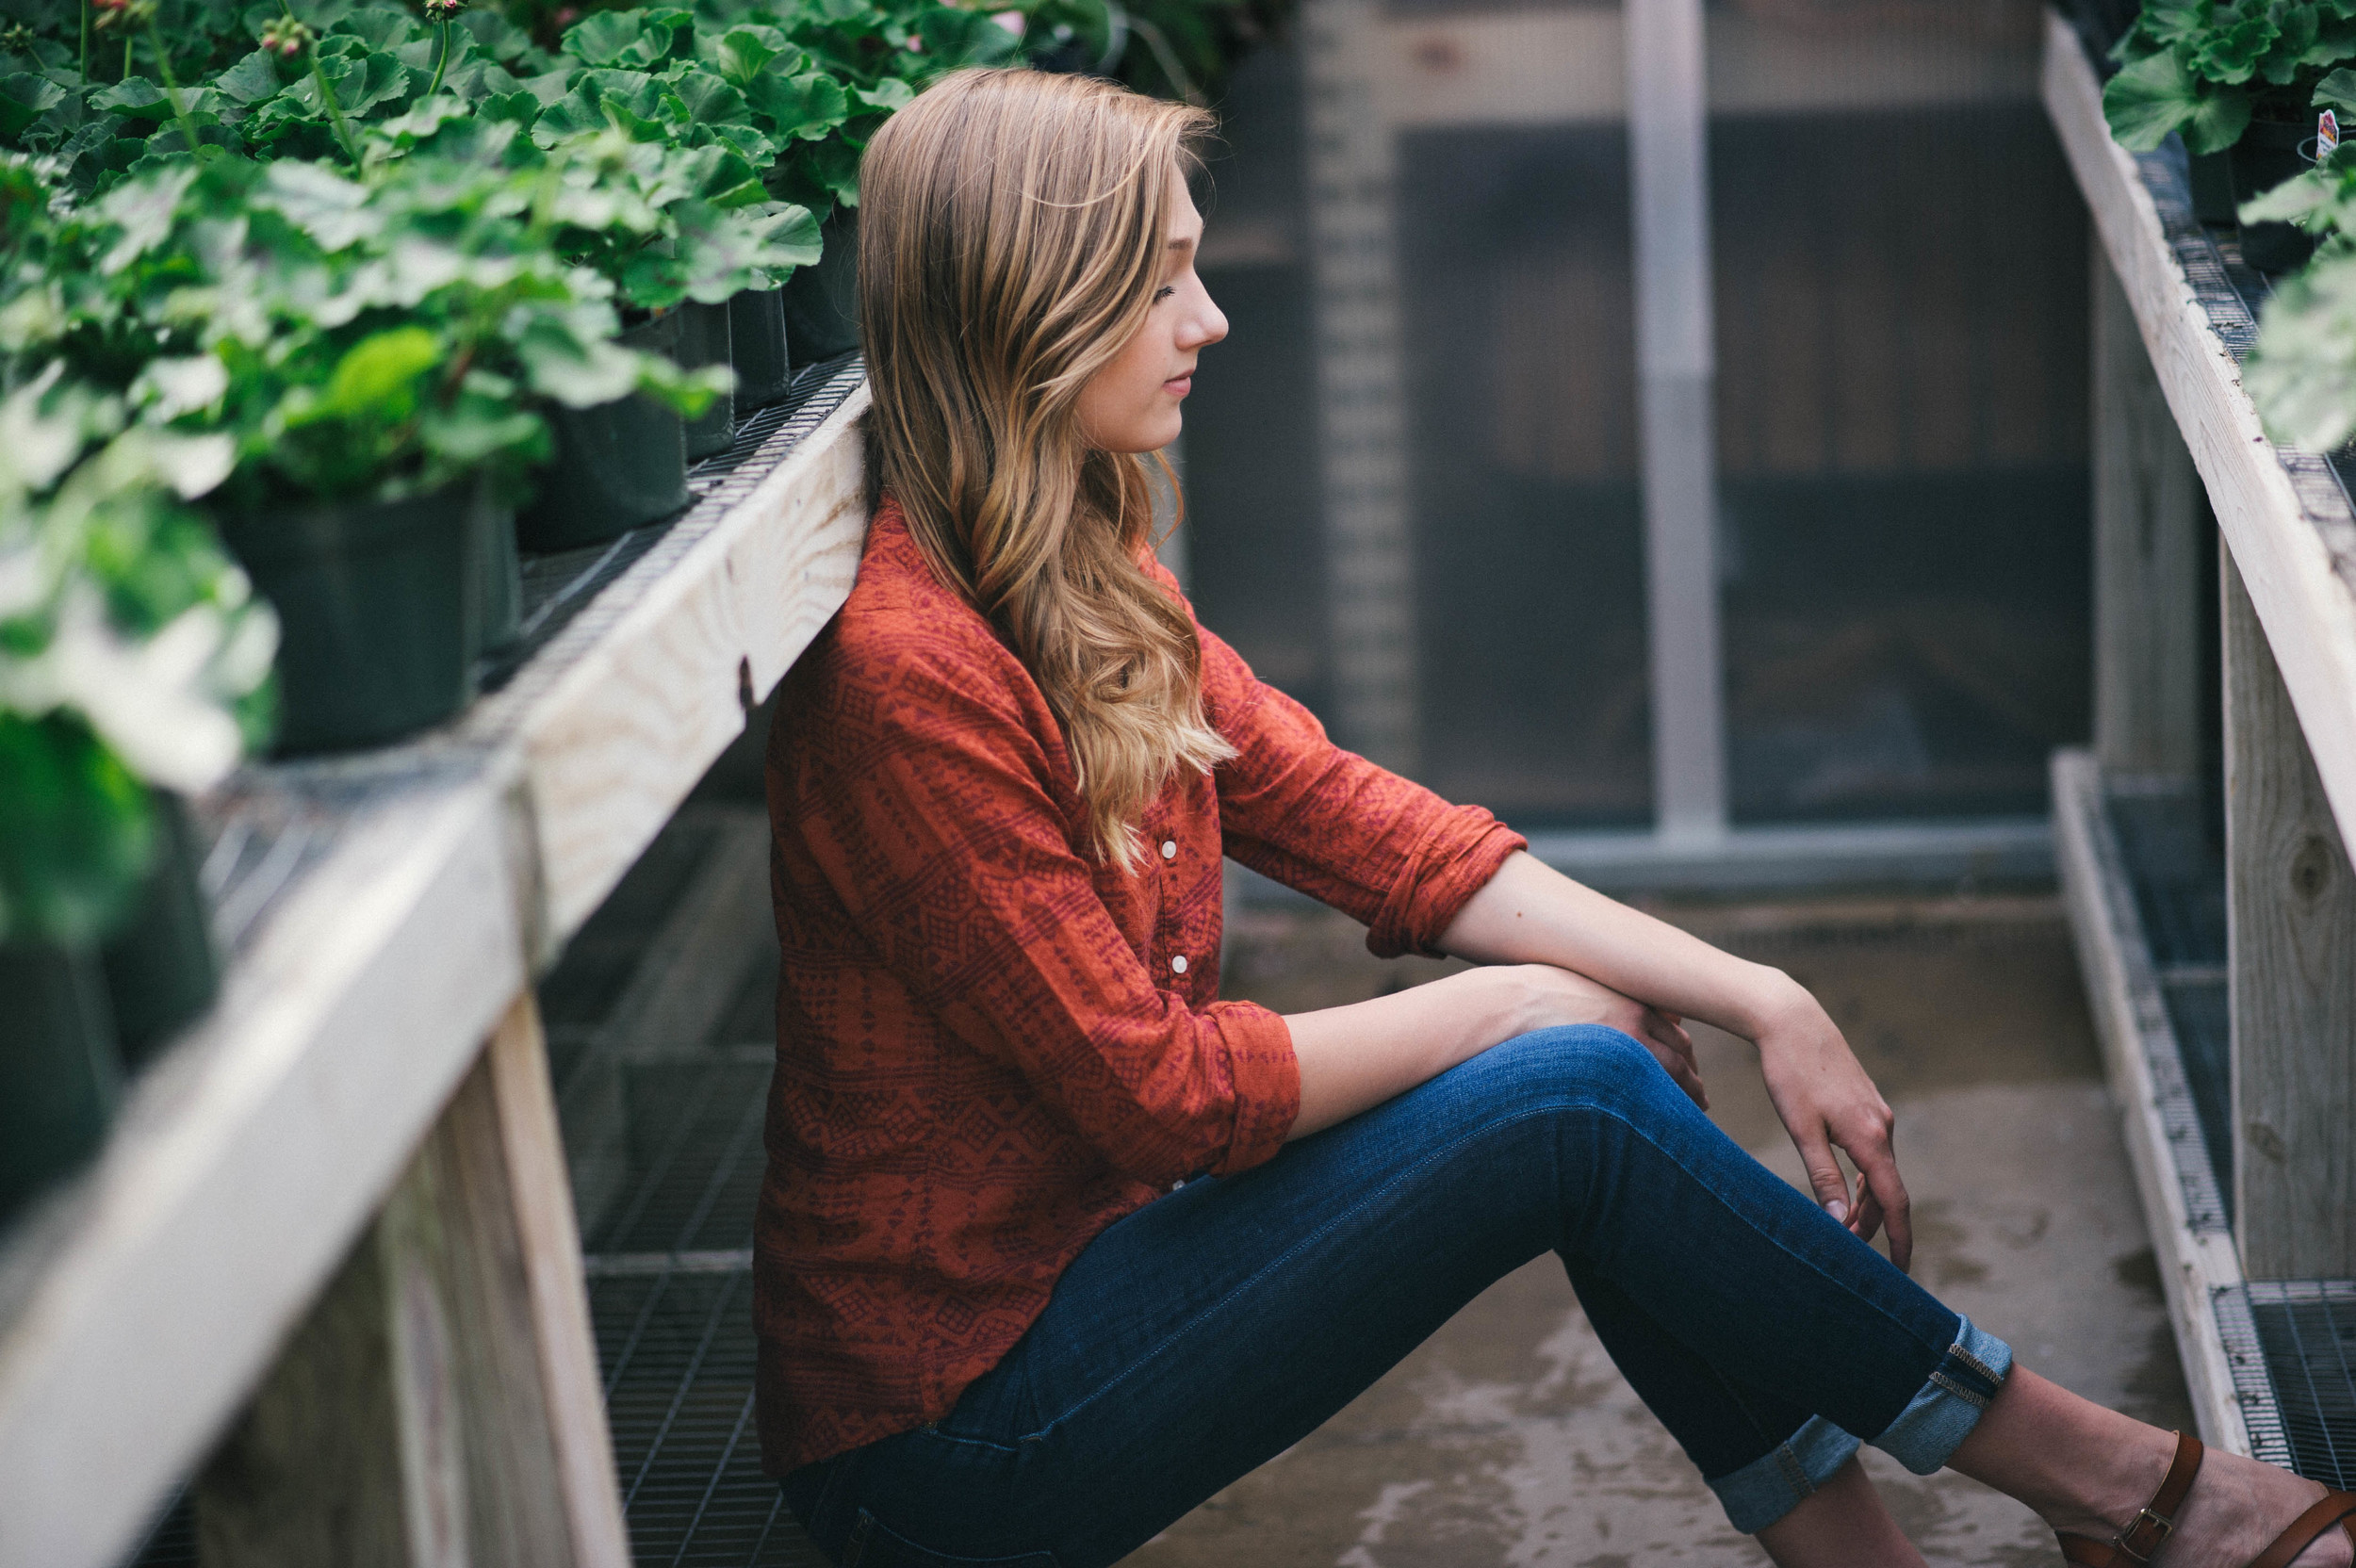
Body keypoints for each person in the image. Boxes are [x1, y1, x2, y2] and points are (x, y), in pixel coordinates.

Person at [756, 65, 2356, 1568]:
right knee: (1567, 1085)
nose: (1214, 317)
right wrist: (1511, 1007)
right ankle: (2124, 1490)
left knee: (1595, 1084)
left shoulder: (1077, 582)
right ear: (1038, 309)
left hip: (1092, 1278)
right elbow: (1162, 1098)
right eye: (1165, 281)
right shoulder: (912, 679)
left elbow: (1375, 829)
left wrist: (1754, 996)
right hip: (948, 1443)